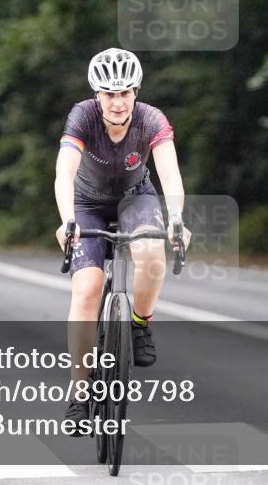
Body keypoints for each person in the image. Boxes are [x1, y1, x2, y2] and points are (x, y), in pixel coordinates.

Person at [54, 48, 190, 433]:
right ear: (97, 95)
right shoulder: (82, 117)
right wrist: (67, 221)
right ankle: (80, 394)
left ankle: (139, 322)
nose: (117, 102)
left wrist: (177, 218)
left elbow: (170, 175)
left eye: (125, 92)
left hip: (137, 197)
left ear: (136, 92)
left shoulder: (151, 120)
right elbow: (64, 173)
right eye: (109, 94)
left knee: (152, 254)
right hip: (86, 203)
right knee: (87, 289)